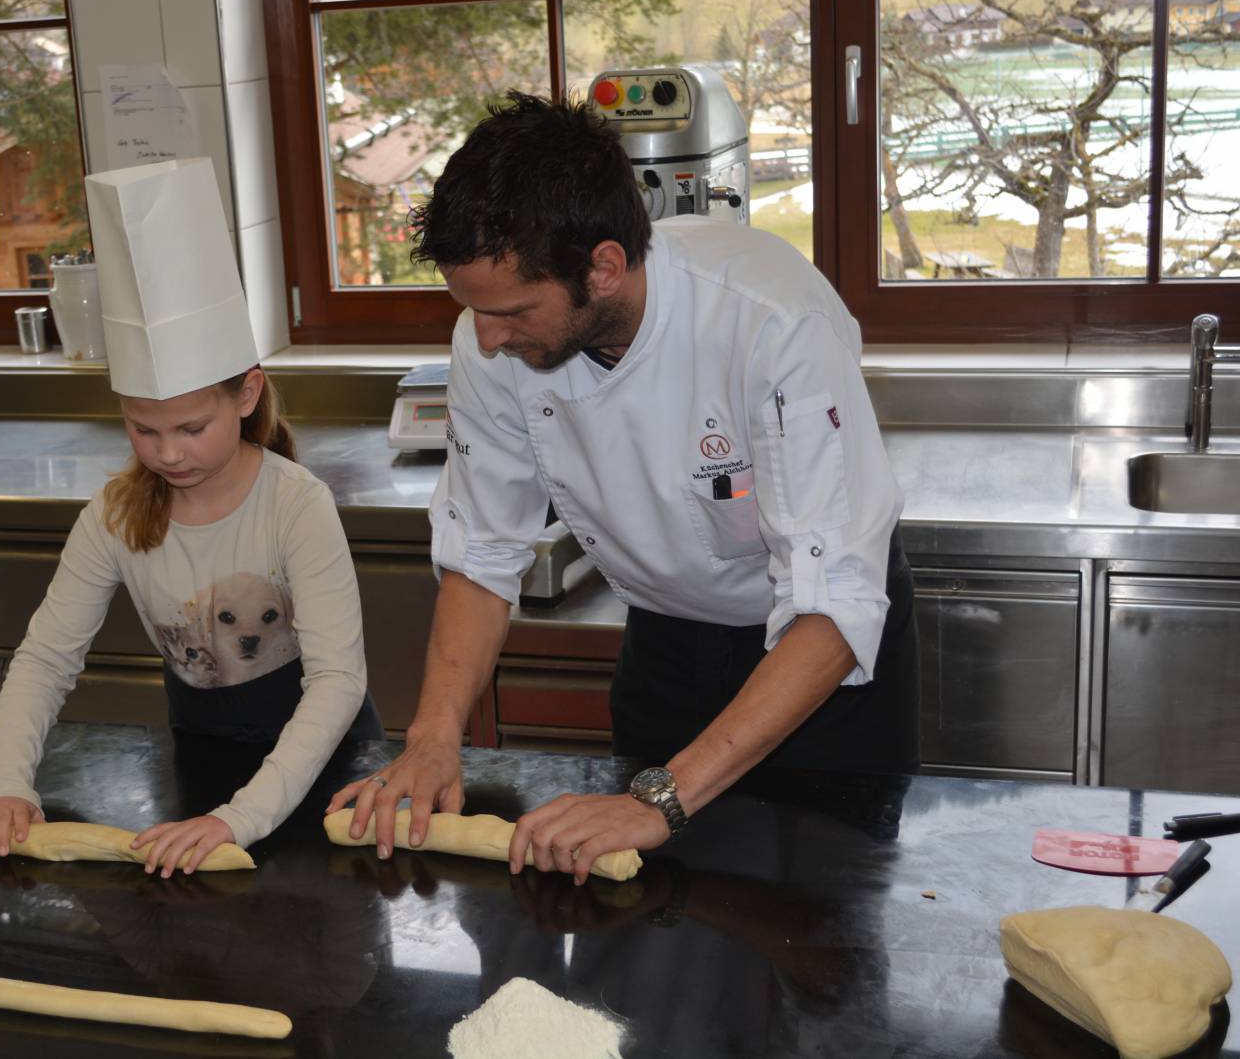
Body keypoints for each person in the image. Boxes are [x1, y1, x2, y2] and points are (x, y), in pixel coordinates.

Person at [329, 93, 918, 883]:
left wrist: (661, 799)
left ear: (602, 267)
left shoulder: (769, 322)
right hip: (668, 646)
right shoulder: (490, 335)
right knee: (653, 931)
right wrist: (433, 734)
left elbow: (836, 600)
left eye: (510, 312)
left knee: (823, 939)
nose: (487, 338)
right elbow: (484, 548)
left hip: (821, 668)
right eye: (472, 311)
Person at [0, 158, 380, 876]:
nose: (168, 453)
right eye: (142, 429)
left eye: (192, 428)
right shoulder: (116, 516)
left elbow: (338, 680)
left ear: (247, 393)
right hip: (201, 763)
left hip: (325, 769)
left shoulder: (294, 503)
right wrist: (7, 782)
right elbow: (45, 658)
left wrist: (240, 818)